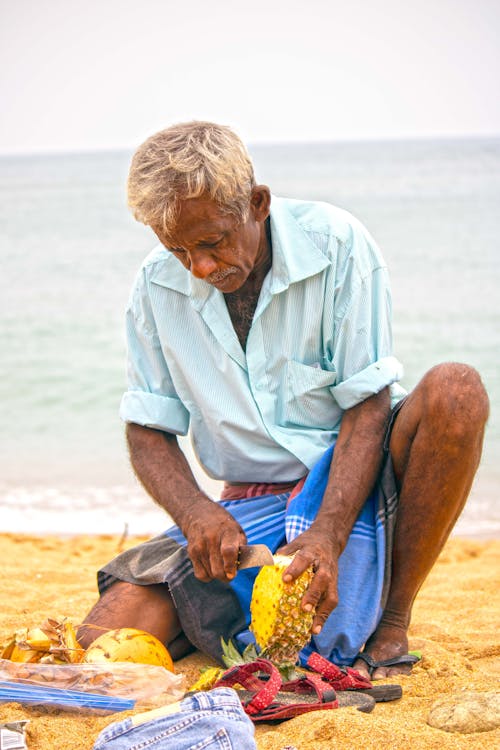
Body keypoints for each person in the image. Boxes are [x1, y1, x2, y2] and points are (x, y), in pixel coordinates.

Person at [79, 121, 489, 680]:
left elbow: (367, 404)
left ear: (257, 203)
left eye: (212, 242)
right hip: (249, 507)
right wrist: (198, 513)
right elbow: (148, 428)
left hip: (361, 476)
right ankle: (238, 615)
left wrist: (325, 534)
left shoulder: (338, 244)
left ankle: (391, 624)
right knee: (103, 637)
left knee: (457, 389)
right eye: (176, 248)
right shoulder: (155, 288)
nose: (198, 267)